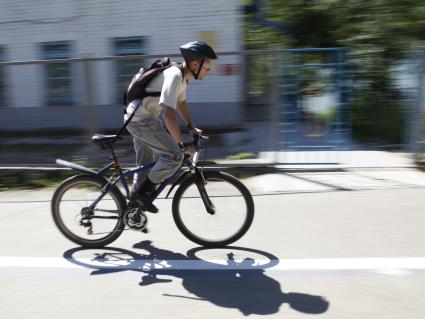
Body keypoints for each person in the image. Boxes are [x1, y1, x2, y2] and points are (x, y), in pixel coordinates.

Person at [124, 41, 218, 213]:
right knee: (174, 156)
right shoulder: (175, 75)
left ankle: (133, 212)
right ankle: (139, 196)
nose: (209, 69)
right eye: (207, 65)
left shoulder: (183, 78)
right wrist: (181, 146)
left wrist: (190, 126)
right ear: (195, 64)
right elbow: (168, 113)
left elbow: (180, 102)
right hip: (140, 119)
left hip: (142, 117)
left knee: (146, 164)